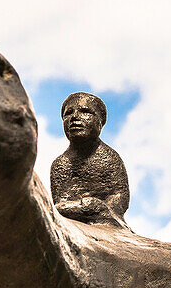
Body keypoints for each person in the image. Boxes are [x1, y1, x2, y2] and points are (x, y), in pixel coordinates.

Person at [50, 92, 130, 226]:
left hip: (107, 221)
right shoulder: (61, 165)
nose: (75, 117)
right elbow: (59, 206)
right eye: (68, 113)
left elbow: (121, 197)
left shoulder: (110, 158)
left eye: (85, 111)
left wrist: (102, 207)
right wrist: (84, 207)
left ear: (100, 121)